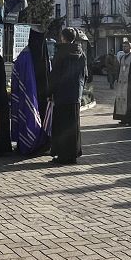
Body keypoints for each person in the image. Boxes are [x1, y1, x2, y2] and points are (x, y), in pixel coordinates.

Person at [49, 27, 87, 164]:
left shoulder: (61, 53)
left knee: (62, 126)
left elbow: (55, 75)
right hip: (75, 95)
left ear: (63, 38)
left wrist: (50, 92)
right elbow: (85, 74)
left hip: (62, 95)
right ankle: (73, 154)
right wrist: (80, 91)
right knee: (73, 125)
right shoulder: (81, 53)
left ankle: (62, 155)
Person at [113, 40, 131, 126]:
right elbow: (119, 69)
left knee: (130, 102)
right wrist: (116, 79)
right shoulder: (122, 57)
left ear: (130, 47)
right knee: (121, 100)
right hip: (122, 84)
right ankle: (123, 118)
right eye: (123, 47)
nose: (124, 48)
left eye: (126, 46)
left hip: (130, 83)